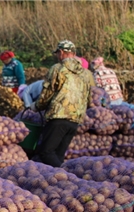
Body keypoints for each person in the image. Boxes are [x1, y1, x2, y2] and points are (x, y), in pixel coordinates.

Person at [29, 40, 94, 168]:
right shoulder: (86, 73)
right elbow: (89, 97)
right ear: (74, 53)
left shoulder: (57, 69)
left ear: (61, 52)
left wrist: (36, 106)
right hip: (75, 119)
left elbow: (47, 93)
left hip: (59, 116)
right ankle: (60, 182)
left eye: (57, 53)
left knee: (46, 153)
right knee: (58, 155)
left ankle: (69, 174)